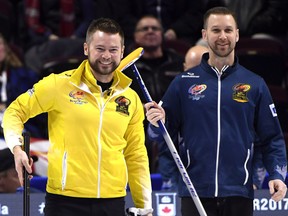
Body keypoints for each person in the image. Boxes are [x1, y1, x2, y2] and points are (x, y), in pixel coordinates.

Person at [2, 18, 153, 216]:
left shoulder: (130, 98)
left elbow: (136, 154)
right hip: (64, 202)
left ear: (122, 52)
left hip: (112, 201)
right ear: (86, 48)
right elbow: (14, 112)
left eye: (113, 50)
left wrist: (145, 206)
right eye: (99, 48)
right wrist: (17, 148)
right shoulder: (58, 85)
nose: (106, 56)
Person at [144, 6, 287, 216]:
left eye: (228, 30)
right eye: (216, 30)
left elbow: (272, 138)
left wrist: (277, 174)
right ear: (204, 34)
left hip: (239, 192)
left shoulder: (255, 84)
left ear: (237, 35)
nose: (222, 36)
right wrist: (156, 122)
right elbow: (158, 135)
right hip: (195, 193)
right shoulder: (183, 82)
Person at [125, 15, 184, 172]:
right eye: (144, 29)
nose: (150, 31)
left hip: (174, 122)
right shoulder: (125, 68)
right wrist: (141, 108)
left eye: (155, 28)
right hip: (139, 123)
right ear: (135, 35)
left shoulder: (178, 62)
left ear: (162, 34)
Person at [0, 33, 47, 139]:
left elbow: (37, 106)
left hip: (22, 128)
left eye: (0, 44)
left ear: (6, 48)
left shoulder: (24, 76)